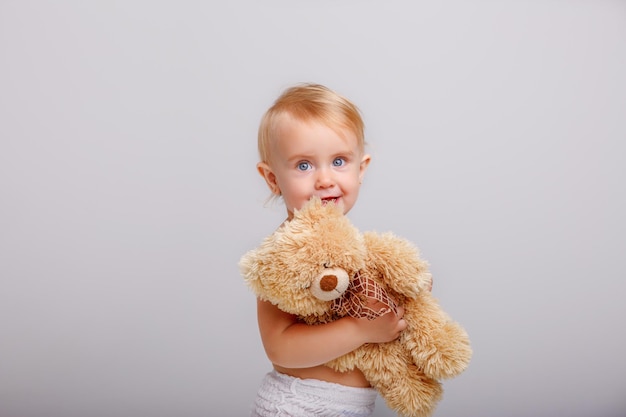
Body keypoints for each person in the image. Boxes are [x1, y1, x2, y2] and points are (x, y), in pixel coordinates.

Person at [249, 83, 407, 417]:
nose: (324, 179)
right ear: (273, 179)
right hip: (301, 405)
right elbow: (279, 348)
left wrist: (404, 295)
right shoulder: (286, 251)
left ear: (360, 169)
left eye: (338, 161)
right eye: (304, 165)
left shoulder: (346, 245)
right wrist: (360, 330)